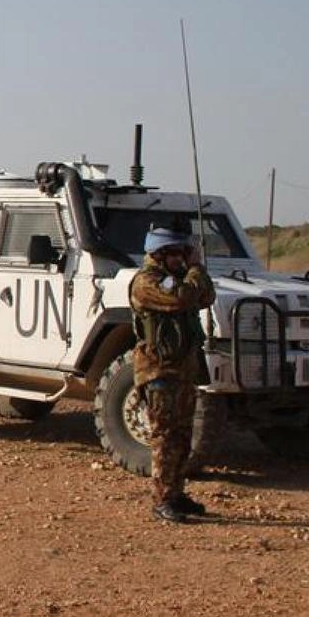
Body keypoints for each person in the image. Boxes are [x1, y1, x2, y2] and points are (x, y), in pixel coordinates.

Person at [130, 224, 216, 524]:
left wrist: (194, 270)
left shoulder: (176, 279)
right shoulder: (148, 282)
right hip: (159, 371)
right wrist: (195, 269)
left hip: (182, 369)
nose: (183, 258)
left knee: (182, 436)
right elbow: (184, 297)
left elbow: (206, 296)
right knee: (165, 437)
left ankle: (176, 493)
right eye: (177, 253)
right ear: (161, 254)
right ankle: (163, 499)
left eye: (184, 252)